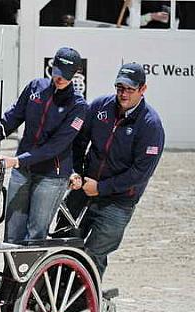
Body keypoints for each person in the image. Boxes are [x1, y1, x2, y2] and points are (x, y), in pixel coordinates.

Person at [68, 63, 164, 278]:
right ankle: (49, 300)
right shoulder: (100, 106)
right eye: (120, 87)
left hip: (119, 202)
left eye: (130, 89)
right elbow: (79, 141)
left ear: (143, 89)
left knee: (93, 255)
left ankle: (84, 308)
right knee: (61, 244)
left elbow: (140, 173)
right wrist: (77, 171)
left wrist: (101, 188)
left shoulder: (151, 125)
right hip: (83, 189)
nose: (123, 94)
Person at [0, 47, 87, 245]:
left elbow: (55, 147)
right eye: (57, 73)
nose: (60, 79)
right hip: (22, 170)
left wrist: (16, 160)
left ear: (74, 74)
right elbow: (11, 118)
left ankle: (32, 277)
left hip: (52, 176)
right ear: (52, 67)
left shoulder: (78, 106)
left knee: (35, 234)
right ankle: (9, 275)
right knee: (12, 232)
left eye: (65, 76)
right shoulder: (35, 87)